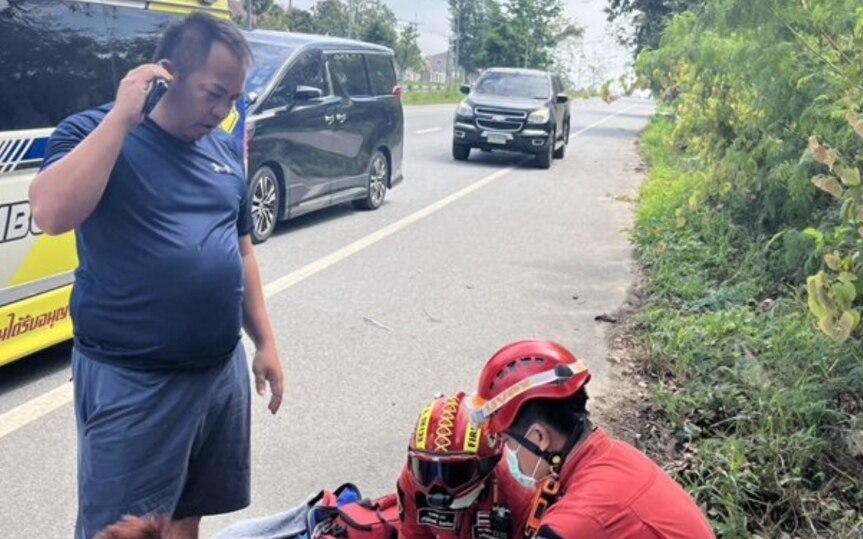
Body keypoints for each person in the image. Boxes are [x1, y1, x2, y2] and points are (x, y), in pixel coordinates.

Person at [29, 13, 284, 539]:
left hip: (219, 373)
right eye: (214, 93)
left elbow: (242, 253)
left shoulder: (222, 148)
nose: (222, 111)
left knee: (187, 516)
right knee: (121, 530)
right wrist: (123, 117)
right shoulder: (92, 131)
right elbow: (51, 214)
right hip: (136, 381)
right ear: (167, 74)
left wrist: (265, 343)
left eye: (233, 98)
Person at [467, 340, 716, 539]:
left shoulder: (577, 522)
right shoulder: (614, 456)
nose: (507, 451)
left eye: (508, 441)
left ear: (539, 437)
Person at [397, 393, 533, 539]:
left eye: (453, 473)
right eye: (427, 470)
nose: (438, 487)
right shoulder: (411, 481)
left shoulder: (519, 494)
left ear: (487, 464)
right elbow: (411, 535)